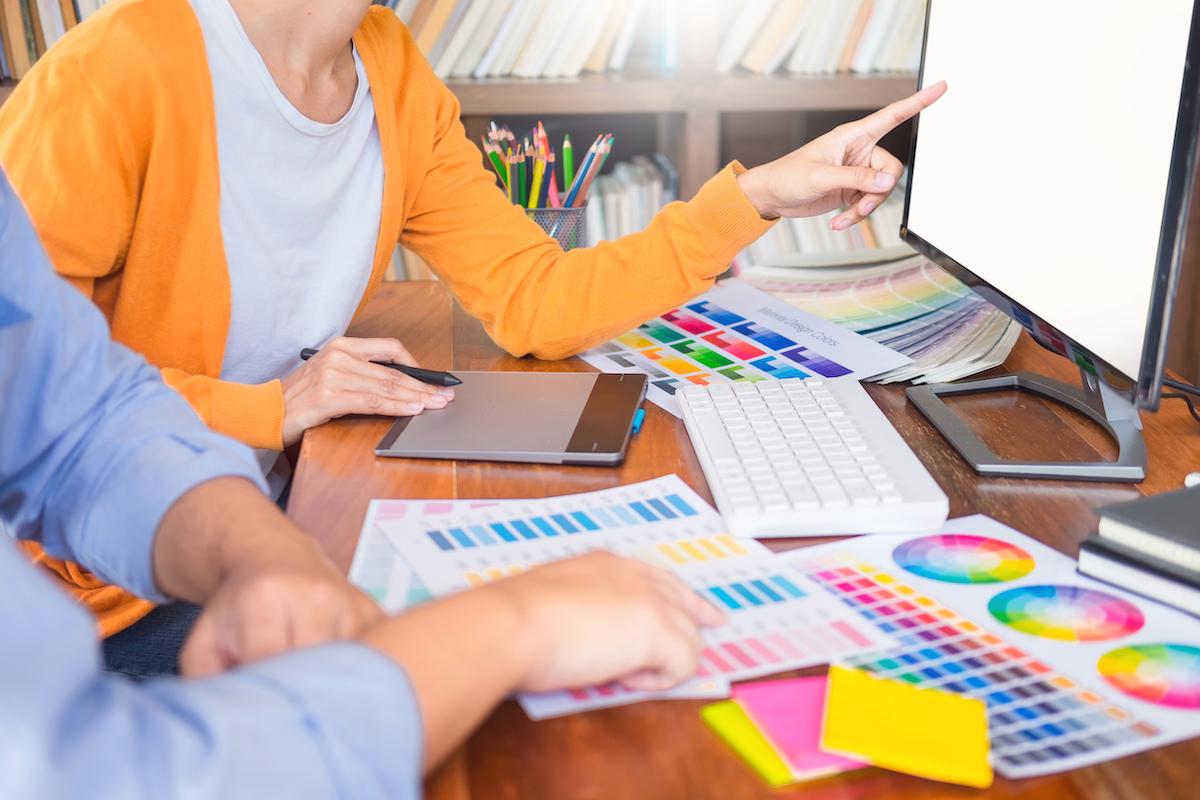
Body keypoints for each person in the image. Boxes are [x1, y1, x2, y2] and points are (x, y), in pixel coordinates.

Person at [0, 0, 945, 658]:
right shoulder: (117, 70)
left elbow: (532, 298)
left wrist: (757, 198)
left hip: (275, 523)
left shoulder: (392, 68)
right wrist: (265, 408)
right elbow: (21, 402)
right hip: (101, 601)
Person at [0, 168, 724, 798]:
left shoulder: (390, 74)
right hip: (113, 626)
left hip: (235, 546)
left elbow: (73, 415)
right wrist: (508, 626)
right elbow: (100, 774)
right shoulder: (107, 77)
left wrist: (264, 552)